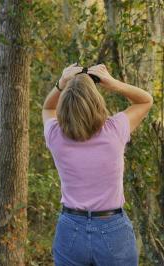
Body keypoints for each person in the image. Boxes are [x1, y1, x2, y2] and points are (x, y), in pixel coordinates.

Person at [42, 63, 153, 265]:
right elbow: (145, 100)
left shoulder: (55, 135)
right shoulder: (115, 130)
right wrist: (113, 83)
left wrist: (62, 82)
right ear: (97, 102)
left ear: (65, 104)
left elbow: (48, 107)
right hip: (112, 228)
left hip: (71, 228)